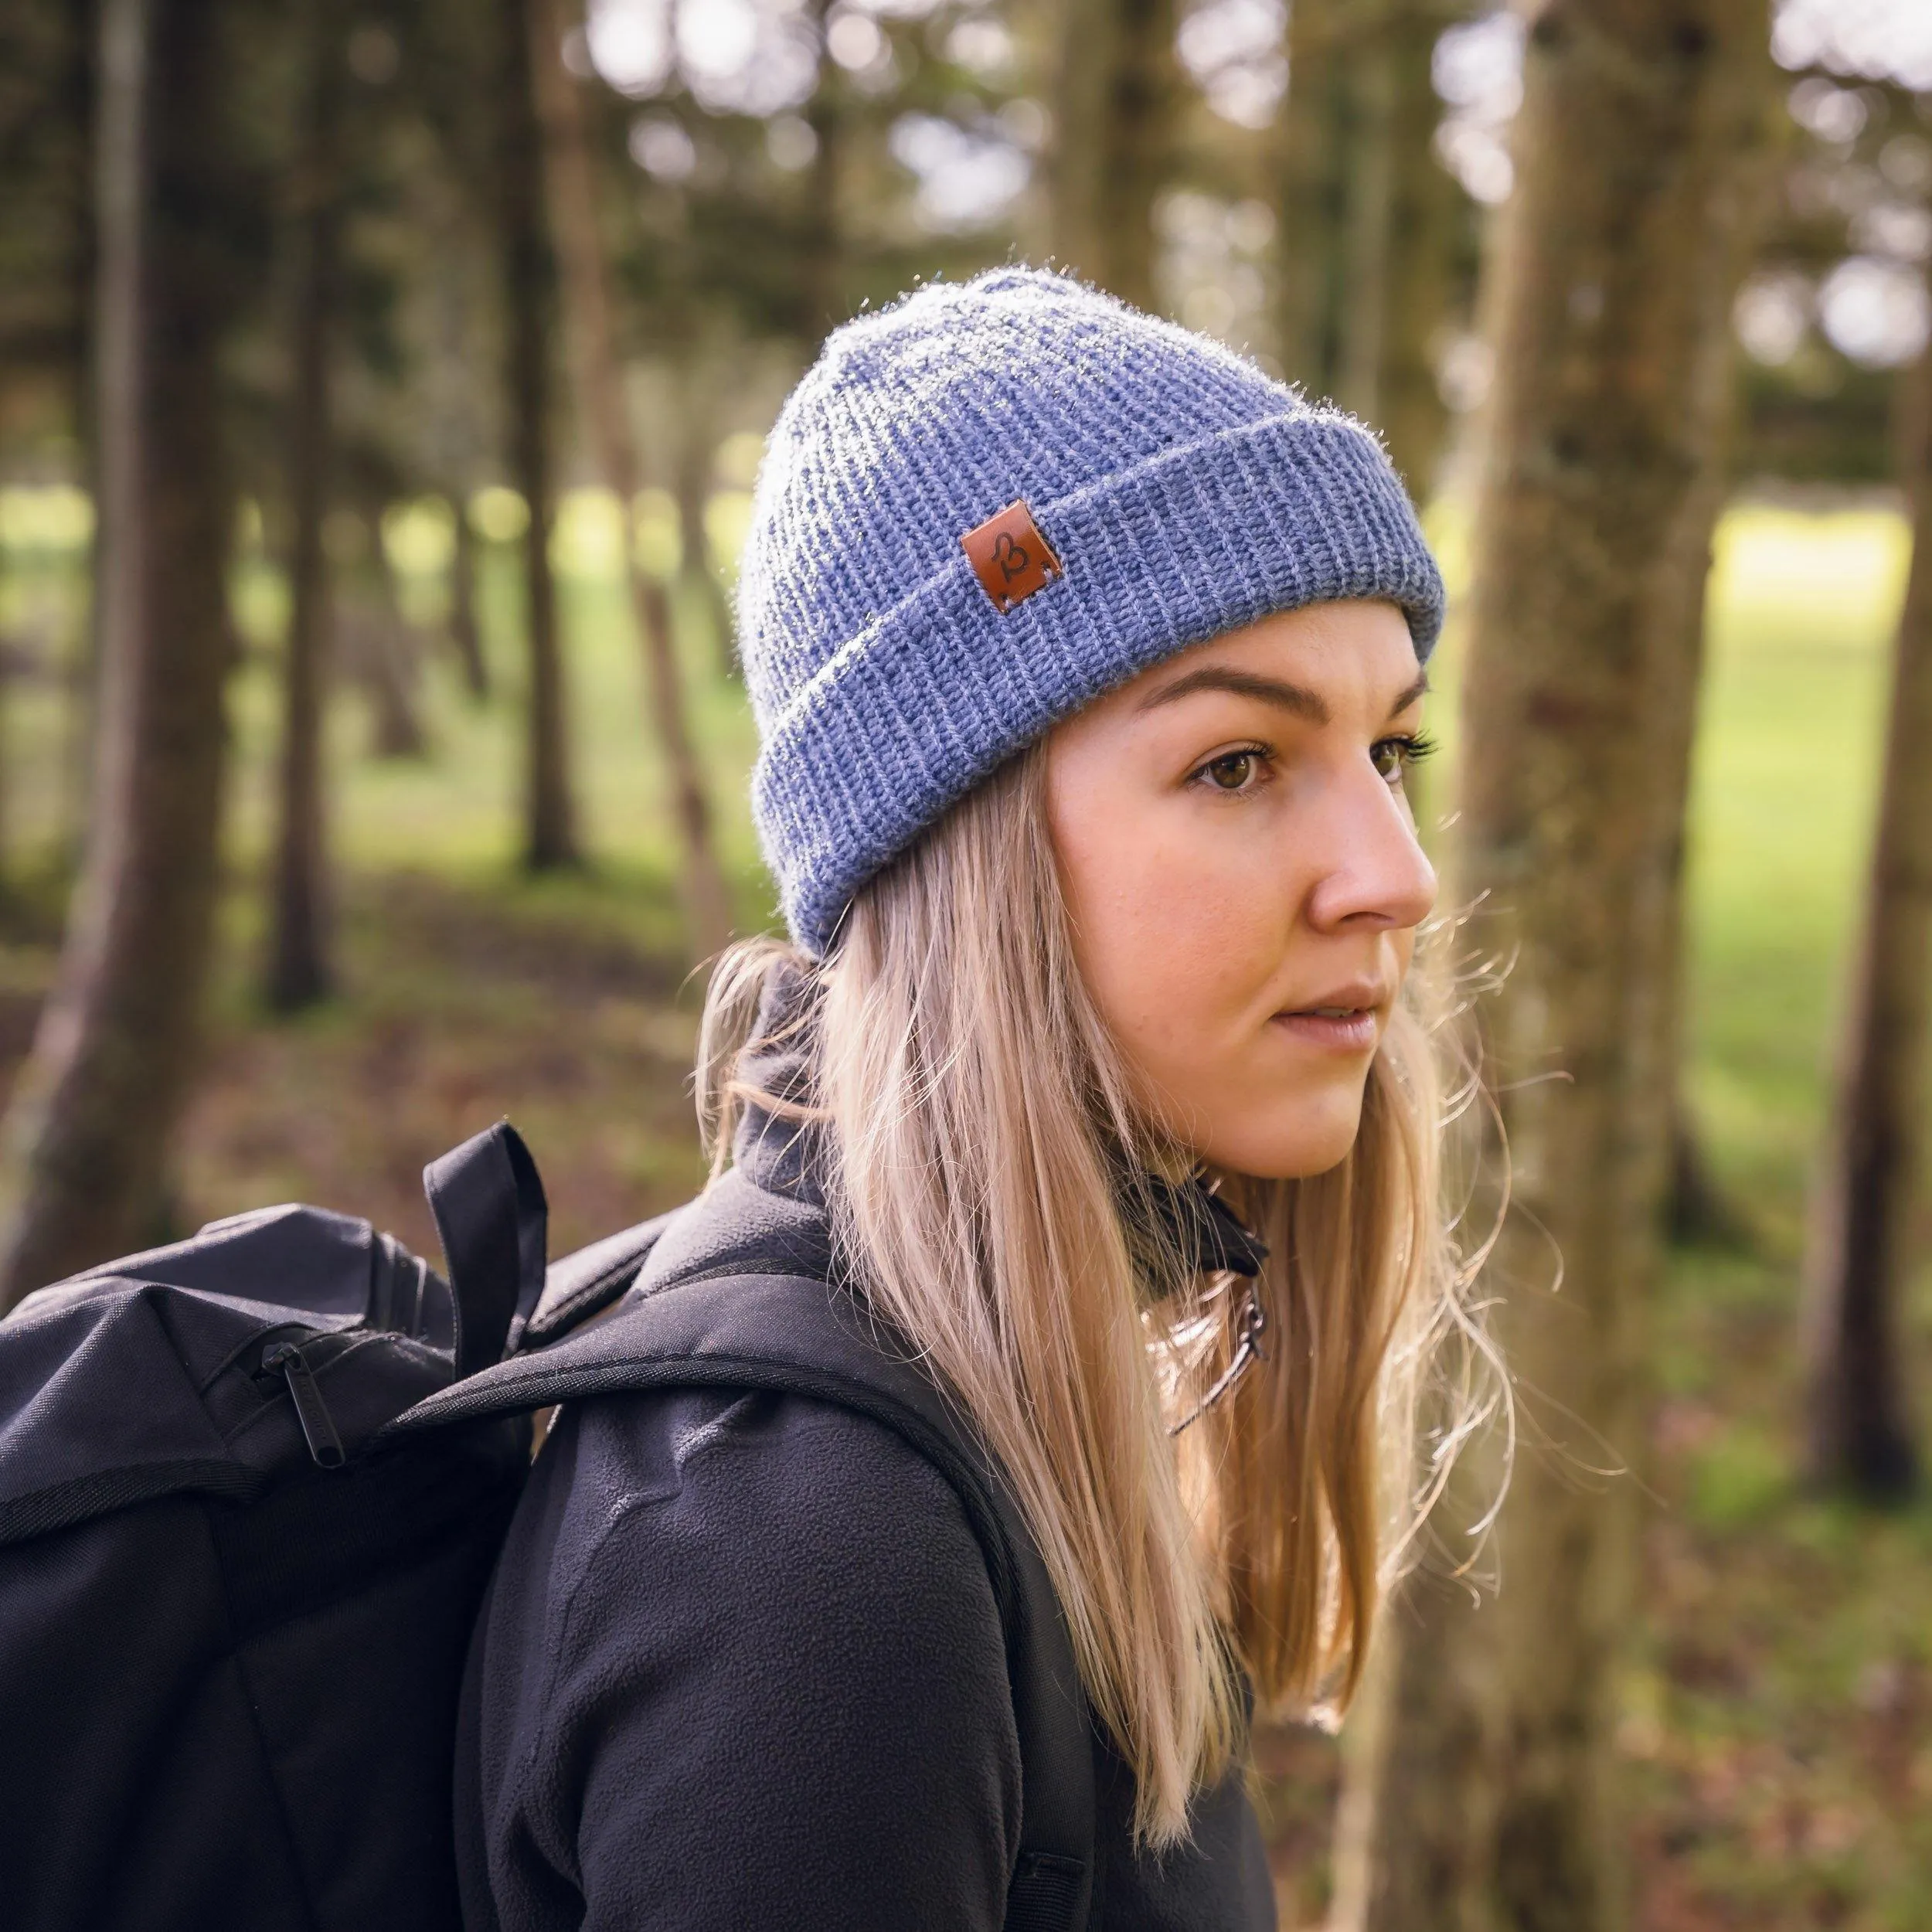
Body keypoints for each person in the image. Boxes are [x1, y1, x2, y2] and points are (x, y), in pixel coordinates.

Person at [455, 267, 1479, 1931]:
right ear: (962, 855)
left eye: (1391, 752)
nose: (1394, 873)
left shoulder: (1032, 1380)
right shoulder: (814, 1561)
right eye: (1237, 763)